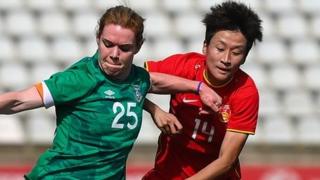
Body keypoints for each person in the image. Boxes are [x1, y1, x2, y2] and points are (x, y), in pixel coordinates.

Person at [0, 5, 221, 179]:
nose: (114, 54)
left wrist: (199, 87)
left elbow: (154, 81)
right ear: (98, 38)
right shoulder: (79, 78)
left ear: (138, 46)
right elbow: (18, 100)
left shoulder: (137, 79)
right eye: (108, 44)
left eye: (124, 48)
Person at [143, 1, 263, 179]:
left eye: (236, 52)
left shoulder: (246, 91)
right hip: (166, 174)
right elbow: (129, 83)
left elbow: (226, 160)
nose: (226, 59)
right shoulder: (183, 66)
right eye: (220, 49)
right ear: (205, 46)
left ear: (244, 57)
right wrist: (154, 110)